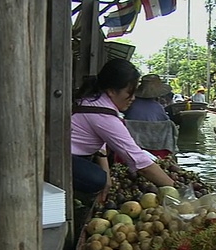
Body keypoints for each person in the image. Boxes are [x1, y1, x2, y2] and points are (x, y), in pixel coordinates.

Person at [71, 59, 174, 202]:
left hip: (74, 154)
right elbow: (140, 163)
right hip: (64, 159)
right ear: (112, 91)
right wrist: (175, 189)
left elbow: (100, 143)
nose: (132, 99)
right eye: (129, 93)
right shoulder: (104, 115)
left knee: (102, 177)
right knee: (97, 179)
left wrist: (108, 176)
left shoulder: (94, 100)